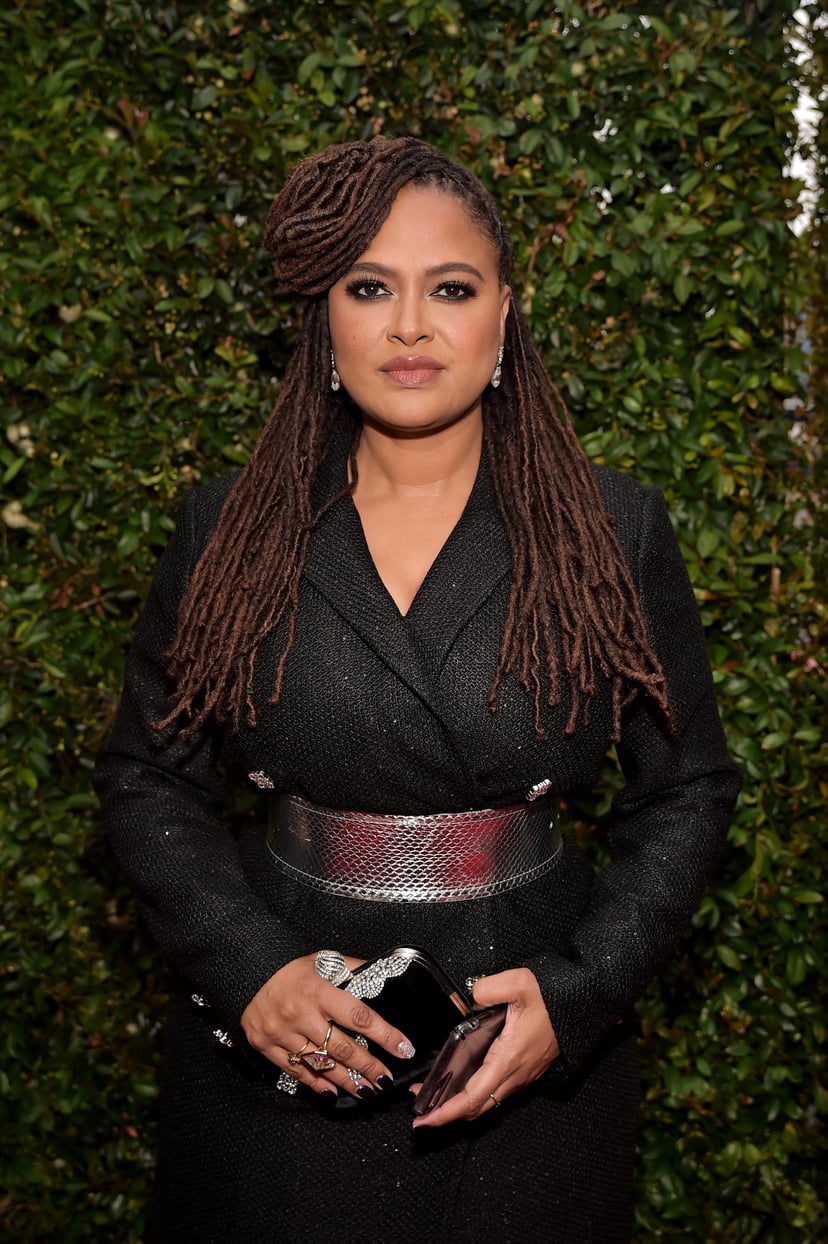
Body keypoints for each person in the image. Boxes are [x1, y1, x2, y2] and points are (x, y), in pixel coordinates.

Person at [94, 135, 740, 1243]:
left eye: (450, 287)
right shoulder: (229, 527)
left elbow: (690, 791)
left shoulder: (609, 529)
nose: (408, 325)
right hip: (283, 1044)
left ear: (503, 316)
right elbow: (146, 777)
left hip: (525, 1048)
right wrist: (250, 969)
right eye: (367, 287)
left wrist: (576, 996)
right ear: (323, 322)